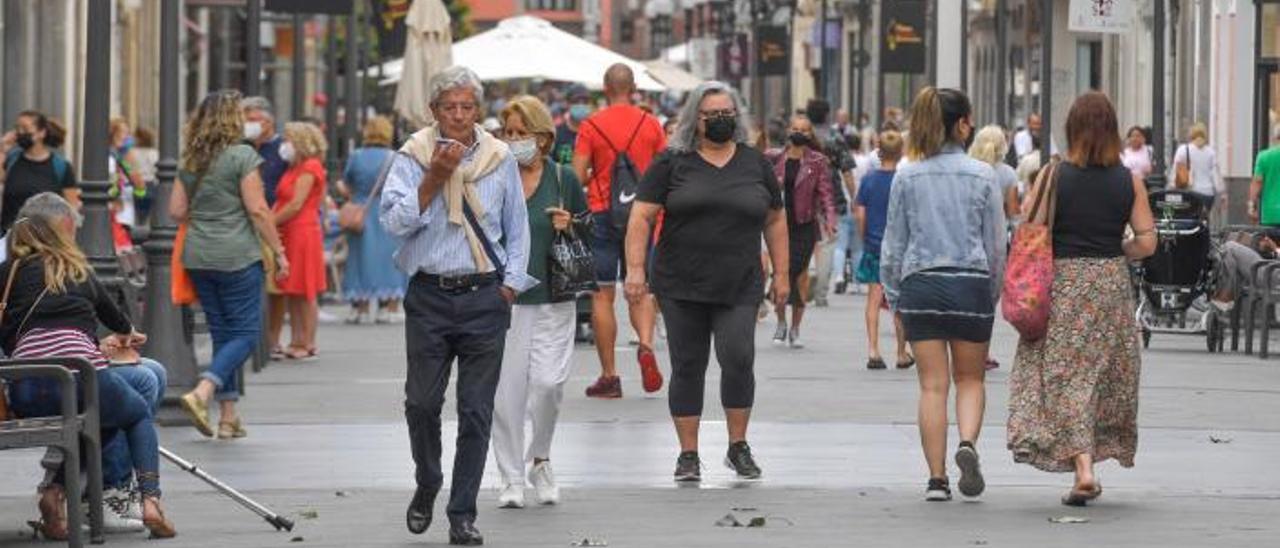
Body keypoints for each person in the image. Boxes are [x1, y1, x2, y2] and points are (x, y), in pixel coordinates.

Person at [378, 65, 533, 546]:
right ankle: (428, 481)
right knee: (421, 403)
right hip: (429, 294)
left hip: (484, 295)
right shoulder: (413, 155)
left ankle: (462, 513)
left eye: (467, 107)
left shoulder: (500, 157)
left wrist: (509, 286)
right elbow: (394, 223)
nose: (460, 116)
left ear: (477, 110)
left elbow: (517, 226)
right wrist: (434, 179)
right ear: (434, 111)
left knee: (475, 410)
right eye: (450, 108)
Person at [623, 81, 789, 482]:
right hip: (681, 281)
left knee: (738, 356)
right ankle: (688, 454)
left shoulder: (756, 163)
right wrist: (634, 270)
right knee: (688, 364)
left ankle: (737, 445)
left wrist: (783, 274)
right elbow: (641, 217)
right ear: (695, 120)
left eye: (727, 113)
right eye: (711, 114)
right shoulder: (671, 162)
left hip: (740, 281)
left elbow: (775, 218)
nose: (720, 120)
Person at [1008, 91, 1157, 506]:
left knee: (1064, 375)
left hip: (1063, 283)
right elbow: (1147, 242)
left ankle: (1083, 468)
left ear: (1071, 129)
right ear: (1113, 131)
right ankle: (1086, 464)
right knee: (1099, 375)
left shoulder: (1053, 175)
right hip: (1110, 284)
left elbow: (1030, 229)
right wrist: (1116, 252)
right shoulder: (1129, 181)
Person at [1, 193, 175, 539]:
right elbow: (118, 321)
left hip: (27, 387)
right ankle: (149, 500)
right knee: (133, 413)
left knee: (96, 418)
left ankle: (55, 494)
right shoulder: (78, 269)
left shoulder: (7, 273)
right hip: (83, 377)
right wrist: (125, 336)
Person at [880, 87, 1006, 502]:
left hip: (922, 283)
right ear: (961, 125)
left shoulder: (907, 174)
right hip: (969, 283)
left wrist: (895, 297)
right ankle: (967, 442)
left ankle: (936, 479)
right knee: (970, 379)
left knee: (932, 386)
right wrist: (990, 293)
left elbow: (893, 242)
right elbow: (996, 246)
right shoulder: (983, 175)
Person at [173, 90, 289, 441]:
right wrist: (279, 252)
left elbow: (176, 211)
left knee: (223, 332)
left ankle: (228, 417)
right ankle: (203, 392)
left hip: (198, 256)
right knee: (245, 334)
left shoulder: (191, 159)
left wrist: (207, 216)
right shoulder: (242, 155)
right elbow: (257, 209)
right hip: (237, 255)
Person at [491, 95, 589, 509]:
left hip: (553, 296)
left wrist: (570, 226)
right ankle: (510, 476)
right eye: (508, 132)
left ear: (543, 138)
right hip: (505, 299)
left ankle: (541, 458)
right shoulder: (494, 176)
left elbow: (588, 229)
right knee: (505, 394)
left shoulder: (563, 178)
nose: (513, 140)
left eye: (521, 133)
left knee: (548, 386)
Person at [573, 63, 667, 398]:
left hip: (601, 214)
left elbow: (577, 174)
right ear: (633, 87)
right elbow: (665, 171)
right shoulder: (651, 123)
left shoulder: (591, 125)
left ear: (604, 86)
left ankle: (609, 376)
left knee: (602, 294)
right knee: (639, 287)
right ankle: (644, 345)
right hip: (643, 215)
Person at [764, 115, 835, 348]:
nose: (799, 133)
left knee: (798, 277)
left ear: (810, 134)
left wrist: (830, 220)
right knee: (781, 274)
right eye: (795, 128)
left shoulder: (817, 161)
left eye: (804, 130)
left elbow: (826, 193)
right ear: (788, 131)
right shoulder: (773, 158)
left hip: (804, 226)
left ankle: (795, 328)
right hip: (779, 226)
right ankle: (781, 322)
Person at [268, 122, 328, 360]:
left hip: (302, 231)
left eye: (288, 139)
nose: (284, 144)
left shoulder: (310, 166)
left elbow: (296, 204)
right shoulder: (294, 167)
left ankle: (307, 341)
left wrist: (269, 221)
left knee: (305, 289)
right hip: (290, 230)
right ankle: (295, 339)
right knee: (293, 289)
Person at [340, 116, 408, 324]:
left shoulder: (356, 156)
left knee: (360, 259)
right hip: (387, 212)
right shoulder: (394, 156)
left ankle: (360, 308)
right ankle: (389, 307)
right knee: (389, 260)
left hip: (361, 211)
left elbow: (346, 183)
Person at [98, 338, 168, 531]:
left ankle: (125, 489)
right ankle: (108, 490)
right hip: (62, 369)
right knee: (143, 380)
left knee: (155, 370)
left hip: (86, 358)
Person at [854, 130, 910, 370]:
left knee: (873, 300)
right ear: (901, 153)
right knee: (899, 301)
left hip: (875, 245)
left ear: (878, 150)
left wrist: (864, 237)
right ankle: (900, 352)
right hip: (900, 248)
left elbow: (860, 213)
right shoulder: (904, 181)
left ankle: (873, 350)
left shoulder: (868, 180)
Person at [805, 99, 853, 308]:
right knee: (827, 243)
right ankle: (821, 293)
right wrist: (854, 196)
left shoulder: (802, 135)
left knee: (802, 243)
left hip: (803, 196)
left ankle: (801, 286)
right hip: (830, 198)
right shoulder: (835, 137)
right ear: (827, 115)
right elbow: (847, 170)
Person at [0, 111, 79, 236]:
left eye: (25, 128)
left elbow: (72, 208)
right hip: (10, 237)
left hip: (46, 240)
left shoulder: (61, 167)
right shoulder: (11, 160)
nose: (20, 132)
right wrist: (3, 148)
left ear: (41, 133)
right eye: (17, 128)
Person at [242, 96, 288, 205]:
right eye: (244, 121)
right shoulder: (241, 148)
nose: (246, 125)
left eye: (252, 120)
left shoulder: (284, 149)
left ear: (269, 122)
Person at [108, 118, 149, 240]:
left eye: (127, 132)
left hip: (125, 215)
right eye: (122, 132)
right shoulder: (109, 159)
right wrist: (115, 197)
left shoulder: (124, 160)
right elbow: (111, 186)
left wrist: (139, 187)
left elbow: (140, 190)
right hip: (113, 215)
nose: (126, 137)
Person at [1171, 123, 1224, 211]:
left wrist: (1172, 187)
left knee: (1190, 218)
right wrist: (1222, 193)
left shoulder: (1183, 150)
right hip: (1208, 193)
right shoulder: (1211, 152)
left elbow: (1175, 171)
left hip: (1190, 192)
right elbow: (1216, 175)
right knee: (1204, 219)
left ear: (1191, 134)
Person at [1249, 124, 1280, 225]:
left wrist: (1251, 207)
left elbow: (1257, 182)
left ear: (1275, 137)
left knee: (1270, 241)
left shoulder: (1264, 156)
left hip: (1270, 214)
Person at [552, 85, 590, 165]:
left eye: (585, 102)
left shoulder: (594, 133)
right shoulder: (556, 133)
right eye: (576, 101)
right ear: (567, 103)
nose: (581, 105)